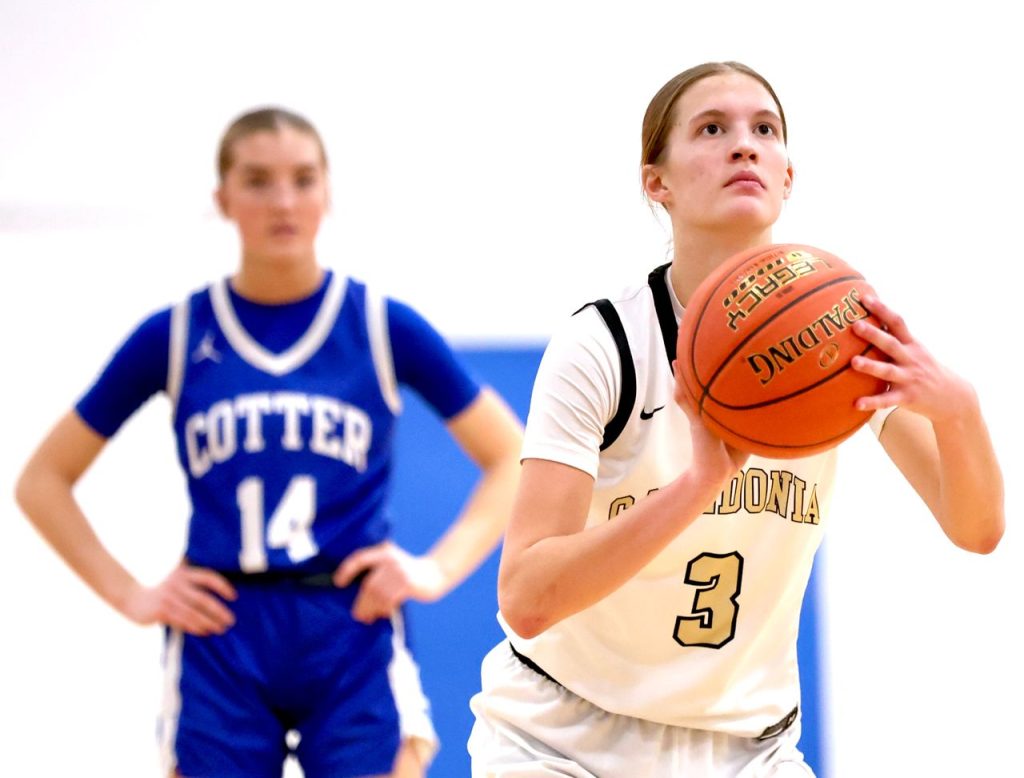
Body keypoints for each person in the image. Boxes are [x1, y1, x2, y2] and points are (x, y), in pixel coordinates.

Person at [467, 61, 1005, 777]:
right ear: (656, 181)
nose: (744, 145)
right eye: (712, 129)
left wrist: (959, 410)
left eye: (765, 130)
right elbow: (527, 598)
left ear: (788, 175)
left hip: (749, 747)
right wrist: (695, 487)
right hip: (564, 735)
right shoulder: (604, 343)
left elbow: (976, 530)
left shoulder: (841, 332)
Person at [15, 106, 524, 778]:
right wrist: (131, 594)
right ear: (224, 198)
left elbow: (512, 458)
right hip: (222, 628)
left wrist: (434, 569)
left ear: (327, 193)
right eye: (258, 180)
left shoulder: (378, 323)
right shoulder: (174, 335)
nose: (283, 200)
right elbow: (42, 480)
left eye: (302, 179)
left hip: (348, 623)